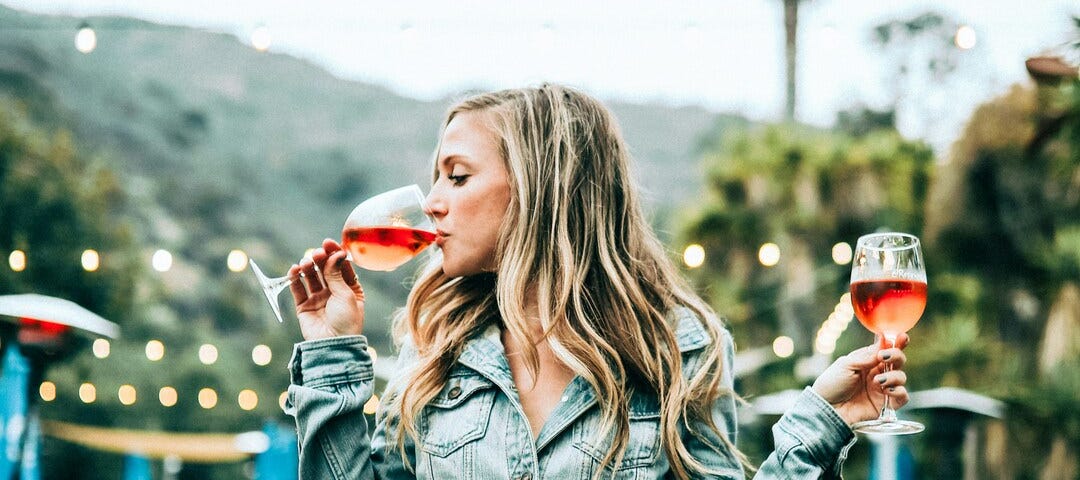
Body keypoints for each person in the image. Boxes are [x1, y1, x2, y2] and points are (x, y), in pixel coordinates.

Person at [283, 84, 912, 479]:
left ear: (539, 189)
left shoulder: (678, 345)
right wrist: (332, 351)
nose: (433, 204)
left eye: (458, 175)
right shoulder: (436, 351)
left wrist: (821, 420)